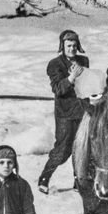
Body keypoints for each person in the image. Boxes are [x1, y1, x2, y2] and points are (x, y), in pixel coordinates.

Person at [38, 30, 89, 194]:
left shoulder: (84, 61)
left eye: (74, 45)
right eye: (69, 46)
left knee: (81, 147)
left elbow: (88, 84)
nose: (72, 49)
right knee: (63, 148)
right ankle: (44, 178)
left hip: (81, 111)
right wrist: (72, 77)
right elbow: (58, 89)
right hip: (65, 113)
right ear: (62, 46)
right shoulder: (55, 64)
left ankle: (78, 181)